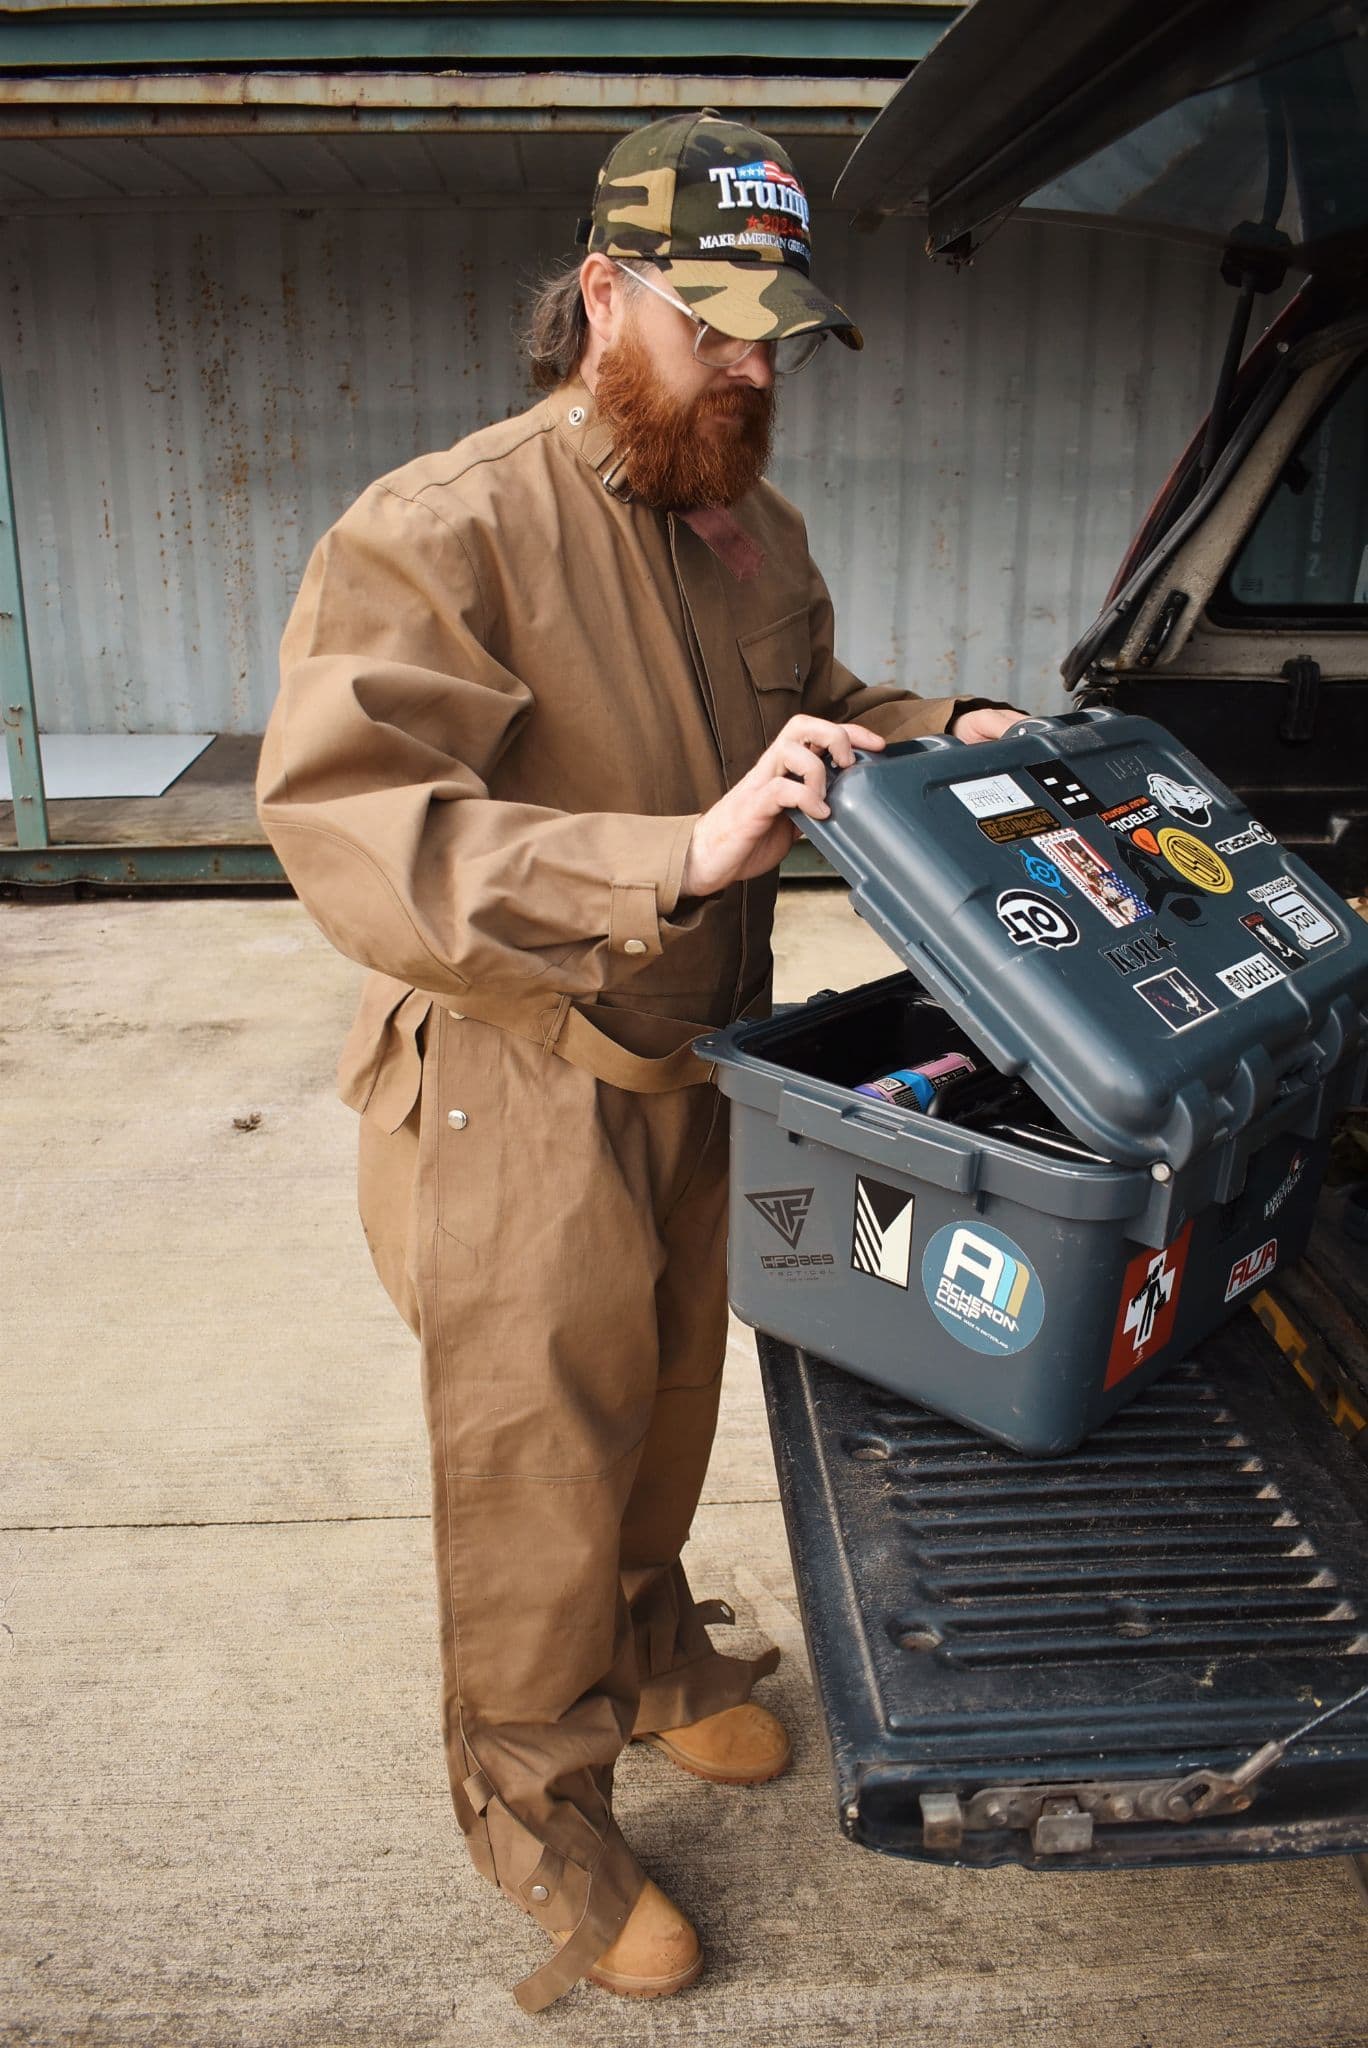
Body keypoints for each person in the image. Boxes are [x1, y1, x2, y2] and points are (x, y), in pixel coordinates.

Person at [257, 108, 1024, 2014]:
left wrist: (948, 722)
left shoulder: (746, 524)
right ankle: (540, 1819)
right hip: (518, 1080)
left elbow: (816, 711)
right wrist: (664, 856)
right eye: (718, 326)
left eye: (780, 336)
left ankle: (662, 1659)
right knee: (541, 1465)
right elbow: (356, 818)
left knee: (673, 1404)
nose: (756, 369)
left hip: (705, 1060)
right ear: (603, 294)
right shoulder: (444, 526)